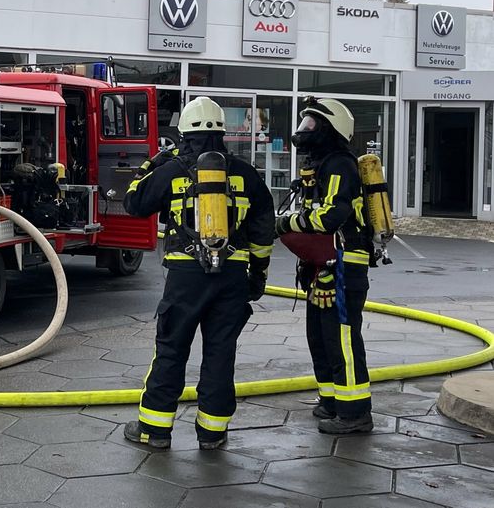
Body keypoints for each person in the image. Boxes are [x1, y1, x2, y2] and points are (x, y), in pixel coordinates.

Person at [122, 96, 274, 450]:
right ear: (222, 131)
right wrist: (259, 275)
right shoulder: (246, 173)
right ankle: (212, 433)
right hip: (233, 276)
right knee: (221, 354)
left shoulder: (171, 171)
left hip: (186, 276)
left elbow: (134, 204)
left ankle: (154, 431)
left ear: (184, 131)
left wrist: (151, 164)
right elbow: (264, 232)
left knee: (172, 349)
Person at [275, 97, 374, 435]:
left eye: (312, 125)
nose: (304, 132)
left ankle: (355, 413)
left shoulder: (339, 165)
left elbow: (333, 215)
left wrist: (289, 223)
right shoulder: (320, 165)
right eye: (304, 123)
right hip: (324, 265)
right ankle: (332, 401)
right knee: (320, 337)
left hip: (345, 264)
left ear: (331, 129)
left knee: (342, 338)